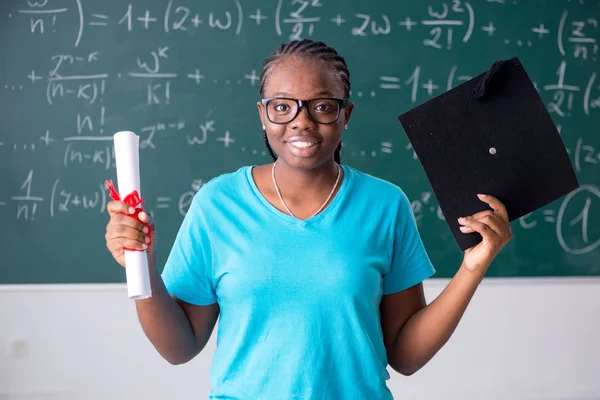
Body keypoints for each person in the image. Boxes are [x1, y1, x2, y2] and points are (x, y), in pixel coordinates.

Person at [105, 39, 512, 399]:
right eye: (282, 107)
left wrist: (471, 270)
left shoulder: (385, 205)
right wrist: (143, 266)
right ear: (263, 115)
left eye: (321, 106)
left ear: (346, 114)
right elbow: (179, 348)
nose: (301, 121)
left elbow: (404, 355)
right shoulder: (218, 204)